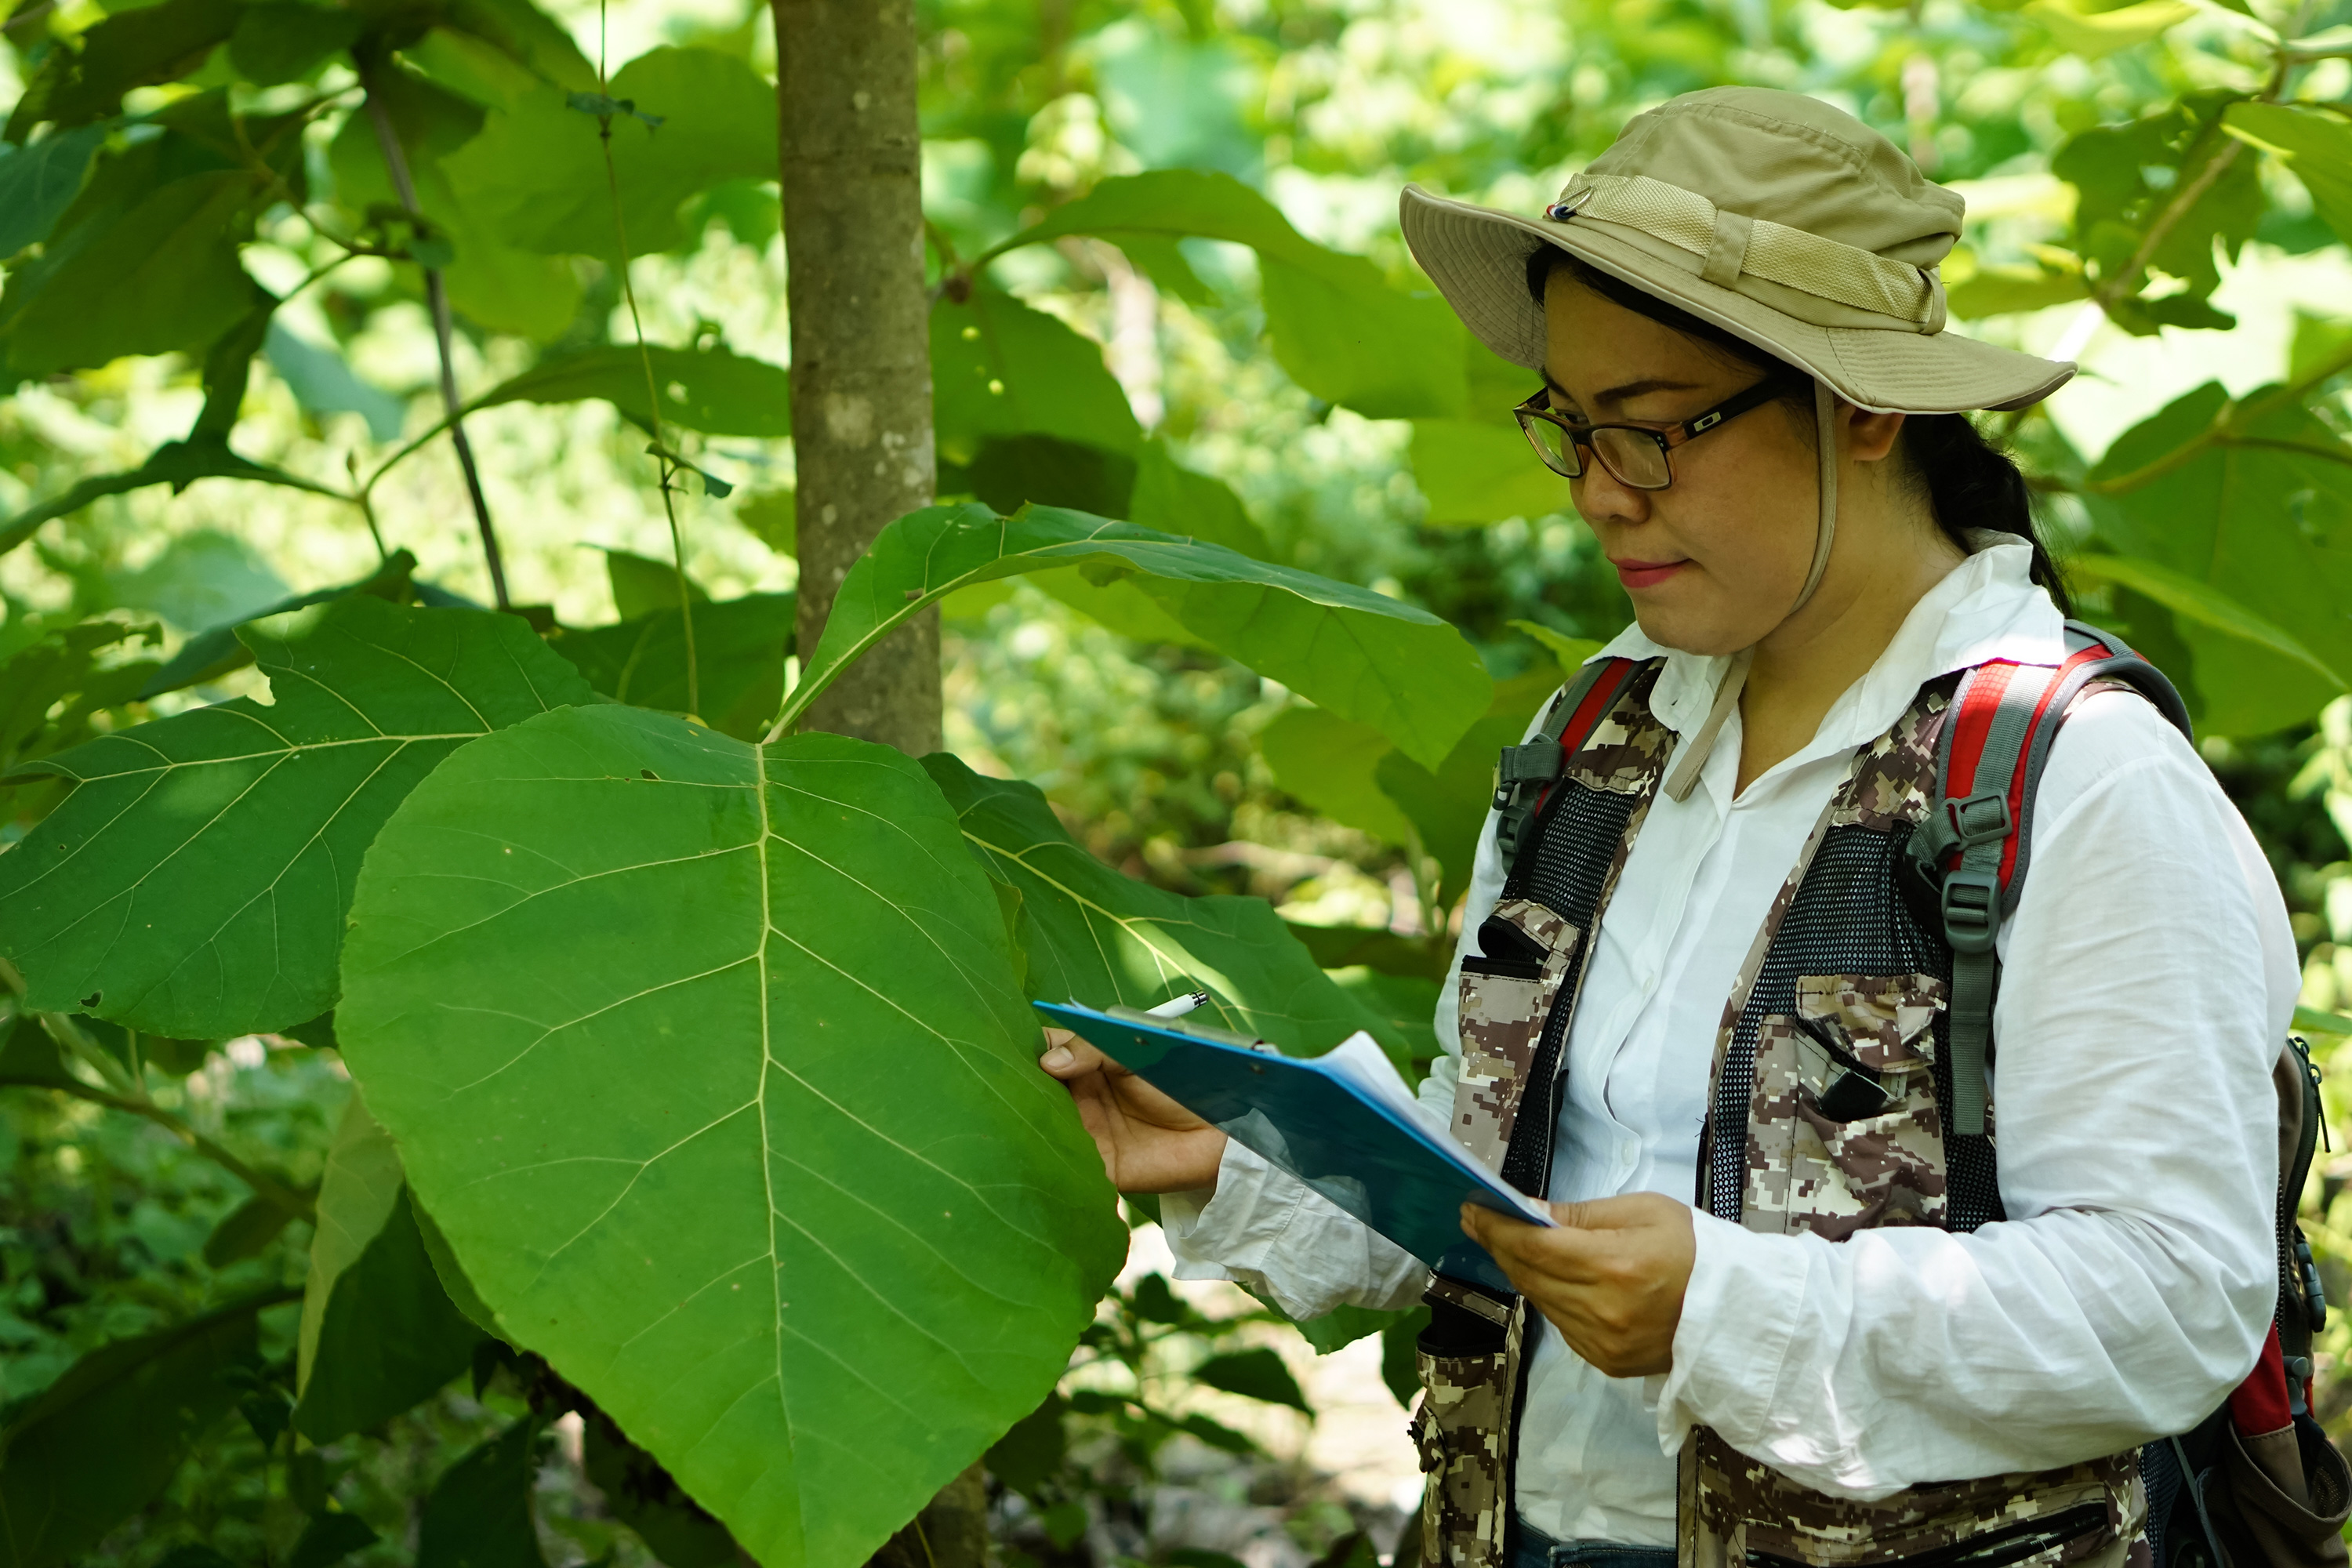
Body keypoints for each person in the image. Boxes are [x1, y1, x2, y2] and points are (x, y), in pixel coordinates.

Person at [1038, 86, 2292, 1568]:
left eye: (1649, 432)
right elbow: (1505, 1183)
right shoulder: (1600, 738)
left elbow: (2173, 1299)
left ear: (1864, 407)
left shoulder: (2068, 779)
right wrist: (1250, 1156)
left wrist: (1728, 1307)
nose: (1595, 495)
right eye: (1569, 429)